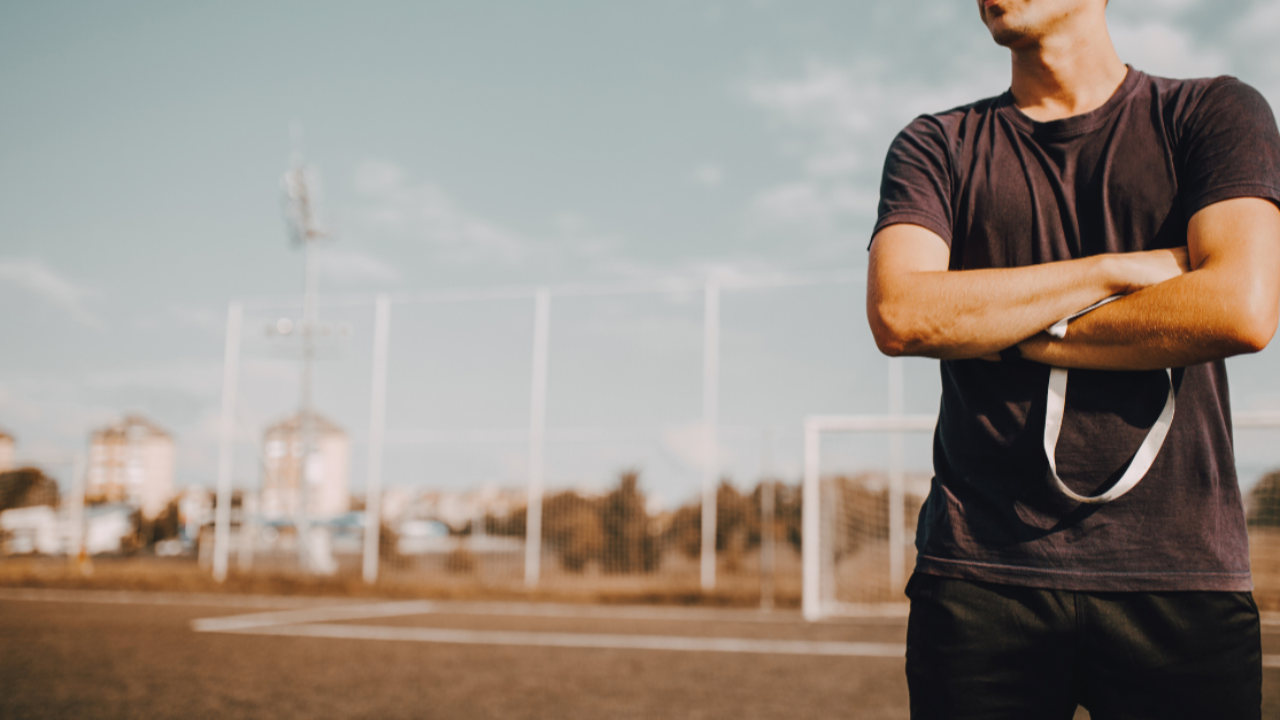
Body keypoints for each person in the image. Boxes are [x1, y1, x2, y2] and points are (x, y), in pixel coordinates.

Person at [867, 1, 1280, 718]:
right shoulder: (936, 144)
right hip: (980, 576)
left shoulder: (1214, 111)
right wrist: (1116, 271)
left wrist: (1009, 329)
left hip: (1181, 579)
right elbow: (902, 313)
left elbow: (1240, 307)